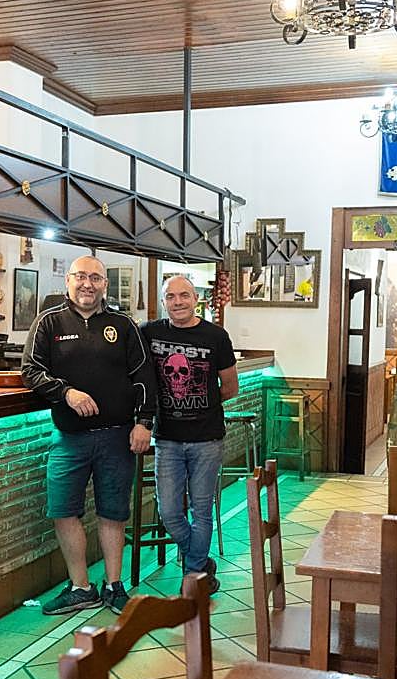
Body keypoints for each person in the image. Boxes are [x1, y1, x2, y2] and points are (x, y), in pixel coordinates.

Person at [22, 255, 156, 615]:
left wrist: (144, 423)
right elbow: (31, 371)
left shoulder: (123, 324)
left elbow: (145, 377)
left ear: (105, 285)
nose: (87, 284)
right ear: (68, 281)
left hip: (118, 437)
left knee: (114, 512)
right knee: (63, 510)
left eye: (95, 278)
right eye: (80, 276)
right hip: (69, 437)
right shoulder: (48, 322)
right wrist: (66, 392)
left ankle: (114, 586)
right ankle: (81, 587)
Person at [141, 276, 238, 592]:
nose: (178, 301)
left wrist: (203, 406)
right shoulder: (149, 333)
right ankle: (201, 562)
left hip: (207, 438)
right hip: (167, 438)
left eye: (184, 295)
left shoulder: (216, 336)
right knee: (168, 511)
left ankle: (191, 577)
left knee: (201, 510)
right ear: (163, 301)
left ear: (197, 299)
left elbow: (231, 387)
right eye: (171, 296)